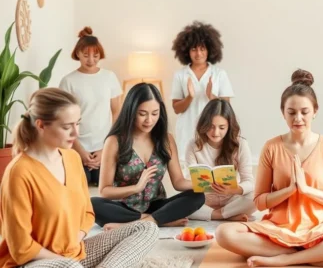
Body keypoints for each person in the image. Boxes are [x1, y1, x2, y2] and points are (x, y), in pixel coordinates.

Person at [216, 70, 323, 267]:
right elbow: (260, 202)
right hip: (278, 228)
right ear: (282, 112)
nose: (298, 118)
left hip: (322, 229)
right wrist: (290, 190)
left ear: (315, 111)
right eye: (291, 113)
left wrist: (306, 190)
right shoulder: (271, 147)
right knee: (223, 233)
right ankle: (317, 257)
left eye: (304, 112)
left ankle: (288, 258)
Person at [0, 88, 158, 268]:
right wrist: (66, 261)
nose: (76, 134)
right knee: (70, 267)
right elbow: (21, 247)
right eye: (67, 127)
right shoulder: (19, 172)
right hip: (33, 262)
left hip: (75, 254)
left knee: (146, 228)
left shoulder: (72, 158)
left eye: (78, 124)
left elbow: (87, 213)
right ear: (41, 125)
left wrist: (75, 242)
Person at [91, 83, 205, 230]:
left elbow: (178, 182)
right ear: (131, 111)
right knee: (93, 204)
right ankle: (158, 220)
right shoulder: (114, 141)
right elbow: (104, 191)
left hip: (156, 206)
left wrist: (208, 184)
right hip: (124, 208)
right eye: (142, 114)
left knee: (197, 196)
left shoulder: (166, 139)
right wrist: (136, 188)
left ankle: (144, 222)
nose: (149, 120)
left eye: (154, 113)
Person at [59, 26, 122, 186]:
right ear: (77, 54)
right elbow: (64, 121)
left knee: (105, 182)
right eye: (86, 55)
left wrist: (106, 149)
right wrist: (80, 151)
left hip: (104, 145)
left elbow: (117, 113)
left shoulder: (109, 77)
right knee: (81, 182)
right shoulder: (68, 81)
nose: (91, 59)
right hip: (77, 146)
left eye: (95, 55)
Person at [171, 21, 234, 163]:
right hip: (187, 129)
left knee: (213, 164)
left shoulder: (219, 74)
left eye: (202, 48)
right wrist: (189, 97)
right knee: (188, 168)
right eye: (194, 49)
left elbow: (226, 107)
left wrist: (212, 96)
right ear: (187, 50)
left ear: (210, 50)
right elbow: (176, 108)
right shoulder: (180, 75)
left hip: (213, 130)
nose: (198, 53)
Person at [185, 98, 256, 221]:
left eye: (222, 127)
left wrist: (235, 189)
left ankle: (218, 214)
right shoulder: (193, 145)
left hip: (231, 199)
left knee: (256, 197)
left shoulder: (240, 144)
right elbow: (189, 180)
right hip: (203, 201)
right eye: (211, 126)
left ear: (229, 126)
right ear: (204, 124)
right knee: (179, 202)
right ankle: (224, 215)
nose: (216, 132)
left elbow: (249, 181)